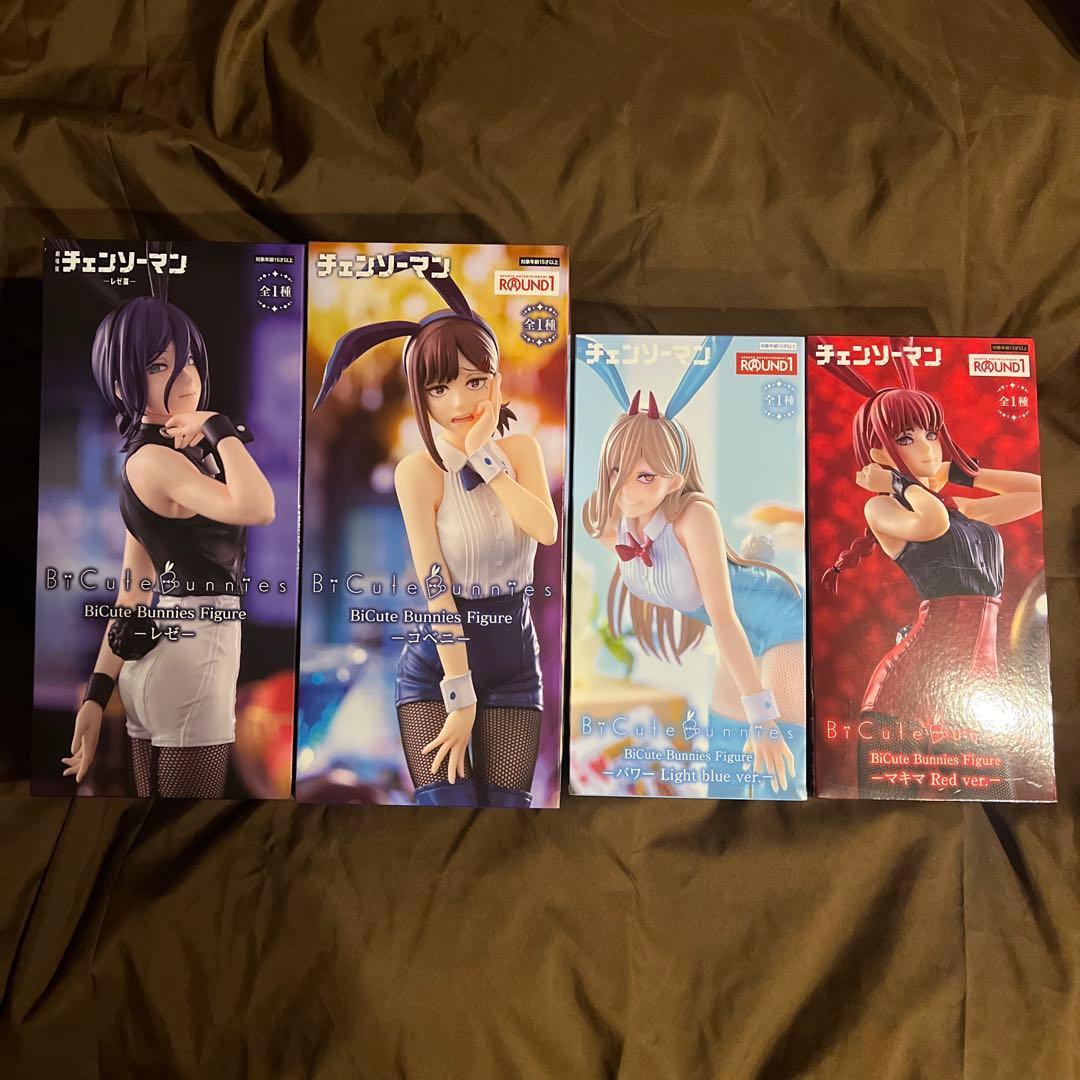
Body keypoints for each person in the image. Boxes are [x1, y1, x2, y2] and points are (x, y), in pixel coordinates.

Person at [314, 253, 558, 807]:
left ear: (496, 382)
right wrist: (460, 693)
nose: (460, 402)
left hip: (516, 665)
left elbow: (544, 530)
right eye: (439, 389)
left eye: (474, 382)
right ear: (420, 397)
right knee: (447, 814)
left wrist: (485, 459)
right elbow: (435, 585)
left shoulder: (521, 450)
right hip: (436, 670)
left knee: (507, 819)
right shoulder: (417, 471)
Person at [66, 294, 274, 798]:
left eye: (191, 362)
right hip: (195, 656)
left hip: (159, 660)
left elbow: (133, 593)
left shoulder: (152, 458)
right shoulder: (157, 462)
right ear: (122, 386)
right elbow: (259, 506)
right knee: (185, 831)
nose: (186, 378)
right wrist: (219, 426)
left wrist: (96, 695)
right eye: (160, 366)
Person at [582, 337, 806, 799]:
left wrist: (763, 717)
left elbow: (723, 617)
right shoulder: (607, 520)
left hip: (780, 621)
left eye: (646, 476)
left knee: (776, 768)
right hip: (737, 633)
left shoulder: (693, 516)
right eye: (617, 469)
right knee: (724, 769)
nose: (627, 487)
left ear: (675, 481)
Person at [821, 350, 1042, 798]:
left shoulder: (960, 509)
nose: (926, 448)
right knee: (889, 817)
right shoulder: (881, 508)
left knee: (993, 801)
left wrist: (962, 471)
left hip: (974, 690)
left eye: (932, 434)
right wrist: (897, 483)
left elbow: (1039, 491)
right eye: (907, 438)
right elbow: (932, 524)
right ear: (877, 452)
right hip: (905, 690)